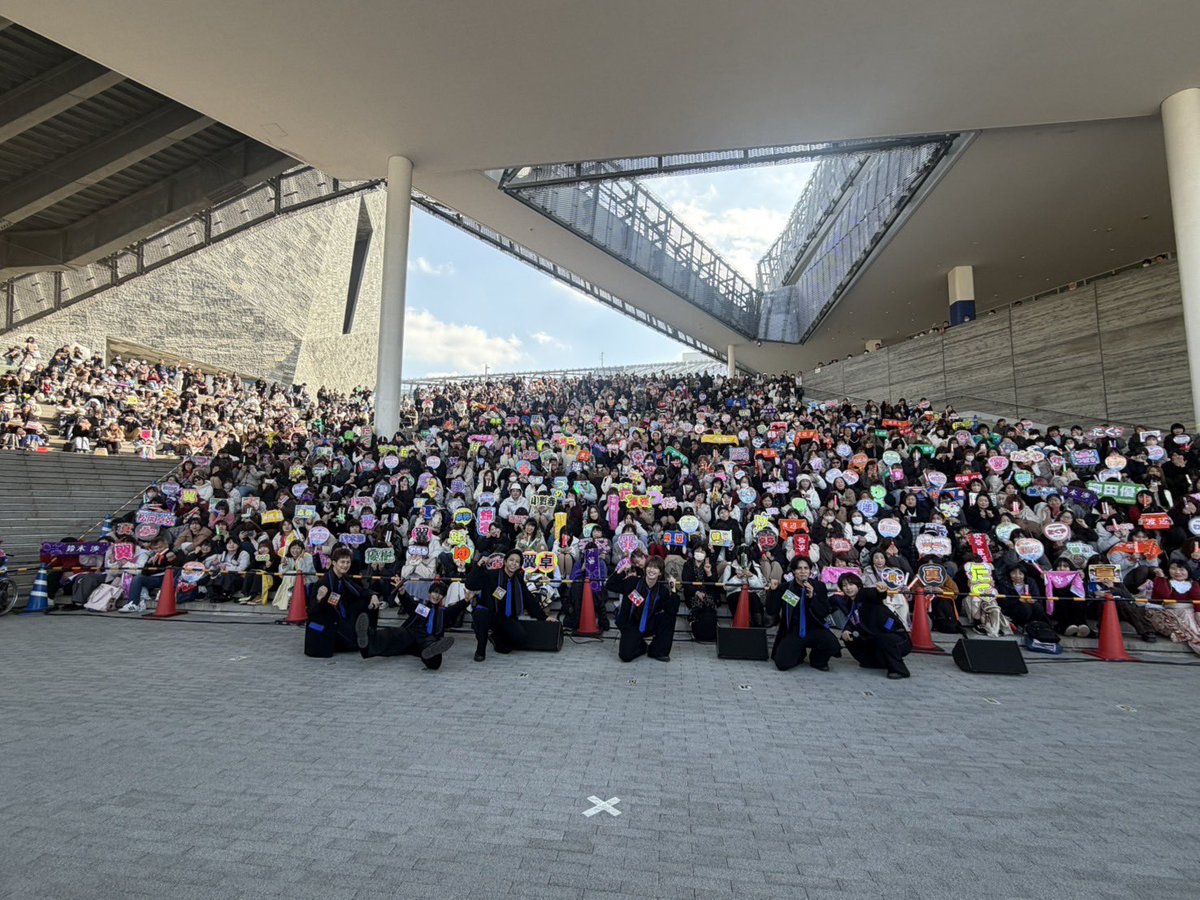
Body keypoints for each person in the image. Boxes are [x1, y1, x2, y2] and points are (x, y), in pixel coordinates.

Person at [464, 549, 551, 662]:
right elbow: (470, 584)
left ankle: (495, 638)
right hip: (488, 613)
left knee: (517, 640)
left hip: (505, 617)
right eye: (511, 560)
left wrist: (544, 617)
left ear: (520, 565)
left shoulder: (518, 579)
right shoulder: (492, 575)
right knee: (481, 613)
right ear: (505, 561)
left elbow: (528, 598)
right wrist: (478, 566)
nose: (513, 563)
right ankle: (480, 651)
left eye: (517, 561)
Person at [355, 580, 455, 668]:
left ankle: (433, 654)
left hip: (427, 639)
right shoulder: (423, 607)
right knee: (391, 634)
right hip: (411, 634)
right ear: (429, 593)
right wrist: (402, 593)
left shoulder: (443, 612)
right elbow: (410, 604)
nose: (436, 596)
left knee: (431, 652)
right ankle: (366, 637)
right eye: (434, 592)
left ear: (443, 597)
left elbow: (457, 608)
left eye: (440, 594)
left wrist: (466, 600)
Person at [766, 557, 841, 671]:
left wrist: (812, 597)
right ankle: (799, 653)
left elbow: (823, 612)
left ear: (810, 571)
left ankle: (817, 660)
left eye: (806, 568)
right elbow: (771, 610)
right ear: (794, 571)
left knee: (832, 644)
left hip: (815, 628)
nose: (803, 571)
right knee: (782, 663)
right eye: (799, 568)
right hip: (793, 630)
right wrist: (773, 591)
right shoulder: (786, 588)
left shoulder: (819, 586)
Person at [304, 547, 380, 657]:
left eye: (348, 562)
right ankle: (358, 635)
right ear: (334, 563)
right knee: (355, 644)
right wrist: (319, 599)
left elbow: (360, 591)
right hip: (329, 622)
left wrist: (373, 595)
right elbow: (311, 611)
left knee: (366, 602)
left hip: (341, 617)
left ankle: (366, 632)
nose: (345, 565)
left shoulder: (344, 578)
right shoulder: (323, 582)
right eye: (342, 562)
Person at [607, 555, 680, 662]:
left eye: (656, 568)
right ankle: (641, 646)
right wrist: (621, 571)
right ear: (645, 569)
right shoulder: (632, 582)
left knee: (669, 616)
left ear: (660, 573)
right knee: (625, 656)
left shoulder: (662, 591)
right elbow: (609, 585)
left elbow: (672, 610)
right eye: (649, 567)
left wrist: (673, 589)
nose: (652, 570)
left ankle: (658, 650)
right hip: (632, 624)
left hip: (649, 623)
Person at [838, 573, 912, 679]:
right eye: (844, 585)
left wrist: (881, 591)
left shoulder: (864, 594)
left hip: (898, 639)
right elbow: (852, 620)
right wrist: (846, 630)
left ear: (858, 585)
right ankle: (873, 662)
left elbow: (875, 595)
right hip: (874, 637)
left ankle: (900, 670)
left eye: (851, 584)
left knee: (883, 638)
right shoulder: (849, 602)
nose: (848, 588)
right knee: (849, 636)